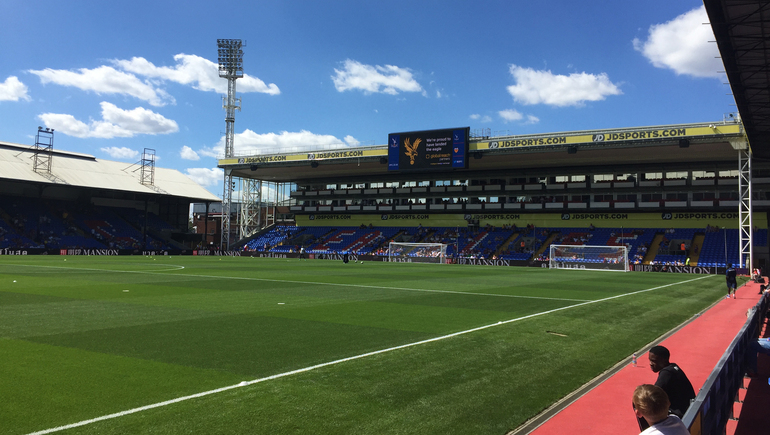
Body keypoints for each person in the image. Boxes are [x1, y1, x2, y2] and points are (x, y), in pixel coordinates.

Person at [648, 345, 695, 418]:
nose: (650, 363)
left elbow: (653, 394)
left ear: (664, 360)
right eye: (650, 360)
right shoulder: (673, 367)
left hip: (682, 414)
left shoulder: (666, 373)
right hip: (690, 408)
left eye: (654, 361)